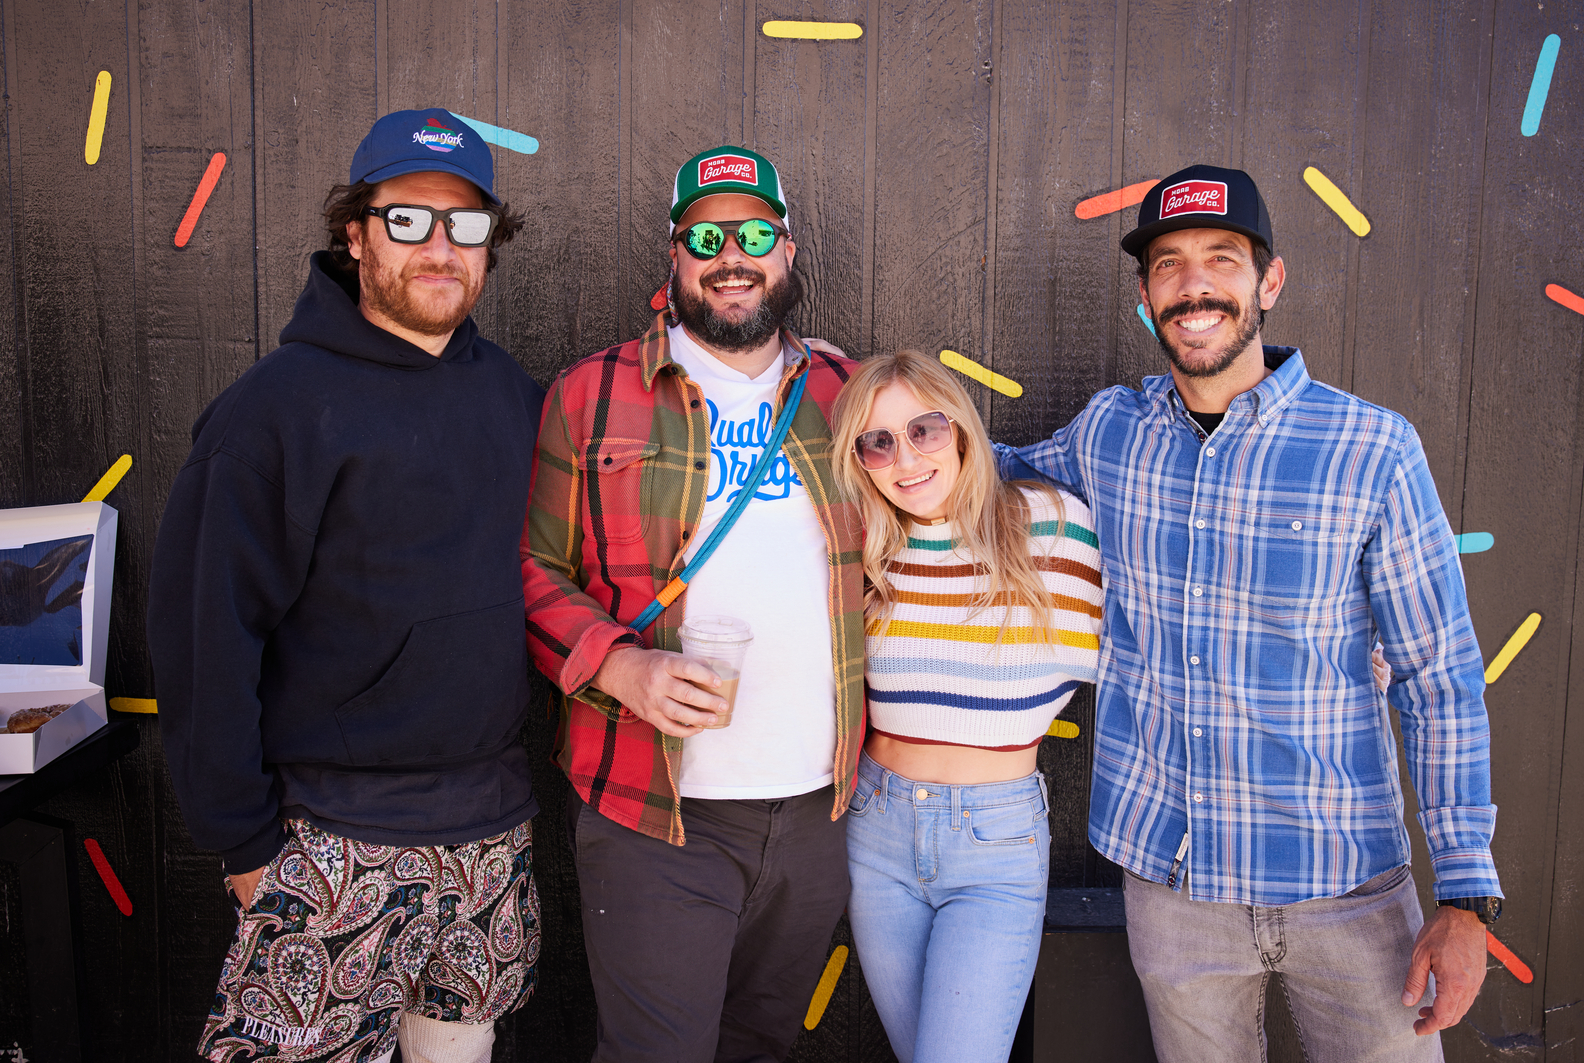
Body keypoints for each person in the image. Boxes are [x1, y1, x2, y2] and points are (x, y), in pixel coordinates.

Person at [997, 164, 1501, 1061]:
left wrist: (1465, 896)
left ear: (1268, 282)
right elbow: (974, 472)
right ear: (1145, 296)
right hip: (1172, 886)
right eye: (1169, 263)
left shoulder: (1372, 449)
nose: (1194, 284)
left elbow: (1440, 676)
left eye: (1221, 259)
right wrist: (855, 418)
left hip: (1347, 886)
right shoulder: (1111, 432)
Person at [148, 108, 544, 1063]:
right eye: (408, 219)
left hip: (491, 829)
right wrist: (245, 849)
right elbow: (205, 640)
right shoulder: (271, 415)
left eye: (466, 222)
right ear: (356, 232)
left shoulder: (518, 397)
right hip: (330, 839)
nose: (440, 247)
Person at [520, 146, 864, 1062]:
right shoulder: (588, 394)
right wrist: (621, 667)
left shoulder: (848, 392)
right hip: (655, 811)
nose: (731, 255)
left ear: (787, 253)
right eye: (705, 236)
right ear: (674, 258)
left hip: (818, 811)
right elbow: (531, 569)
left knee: (761, 1046)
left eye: (754, 233)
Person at [827, 350, 1102, 1062]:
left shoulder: (1050, 527)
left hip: (995, 843)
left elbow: (1171, 633)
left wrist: (1343, 655)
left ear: (960, 431)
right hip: (876, 832)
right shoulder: (866, 550)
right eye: (878, 441)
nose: (905, 458)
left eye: (923, 429)